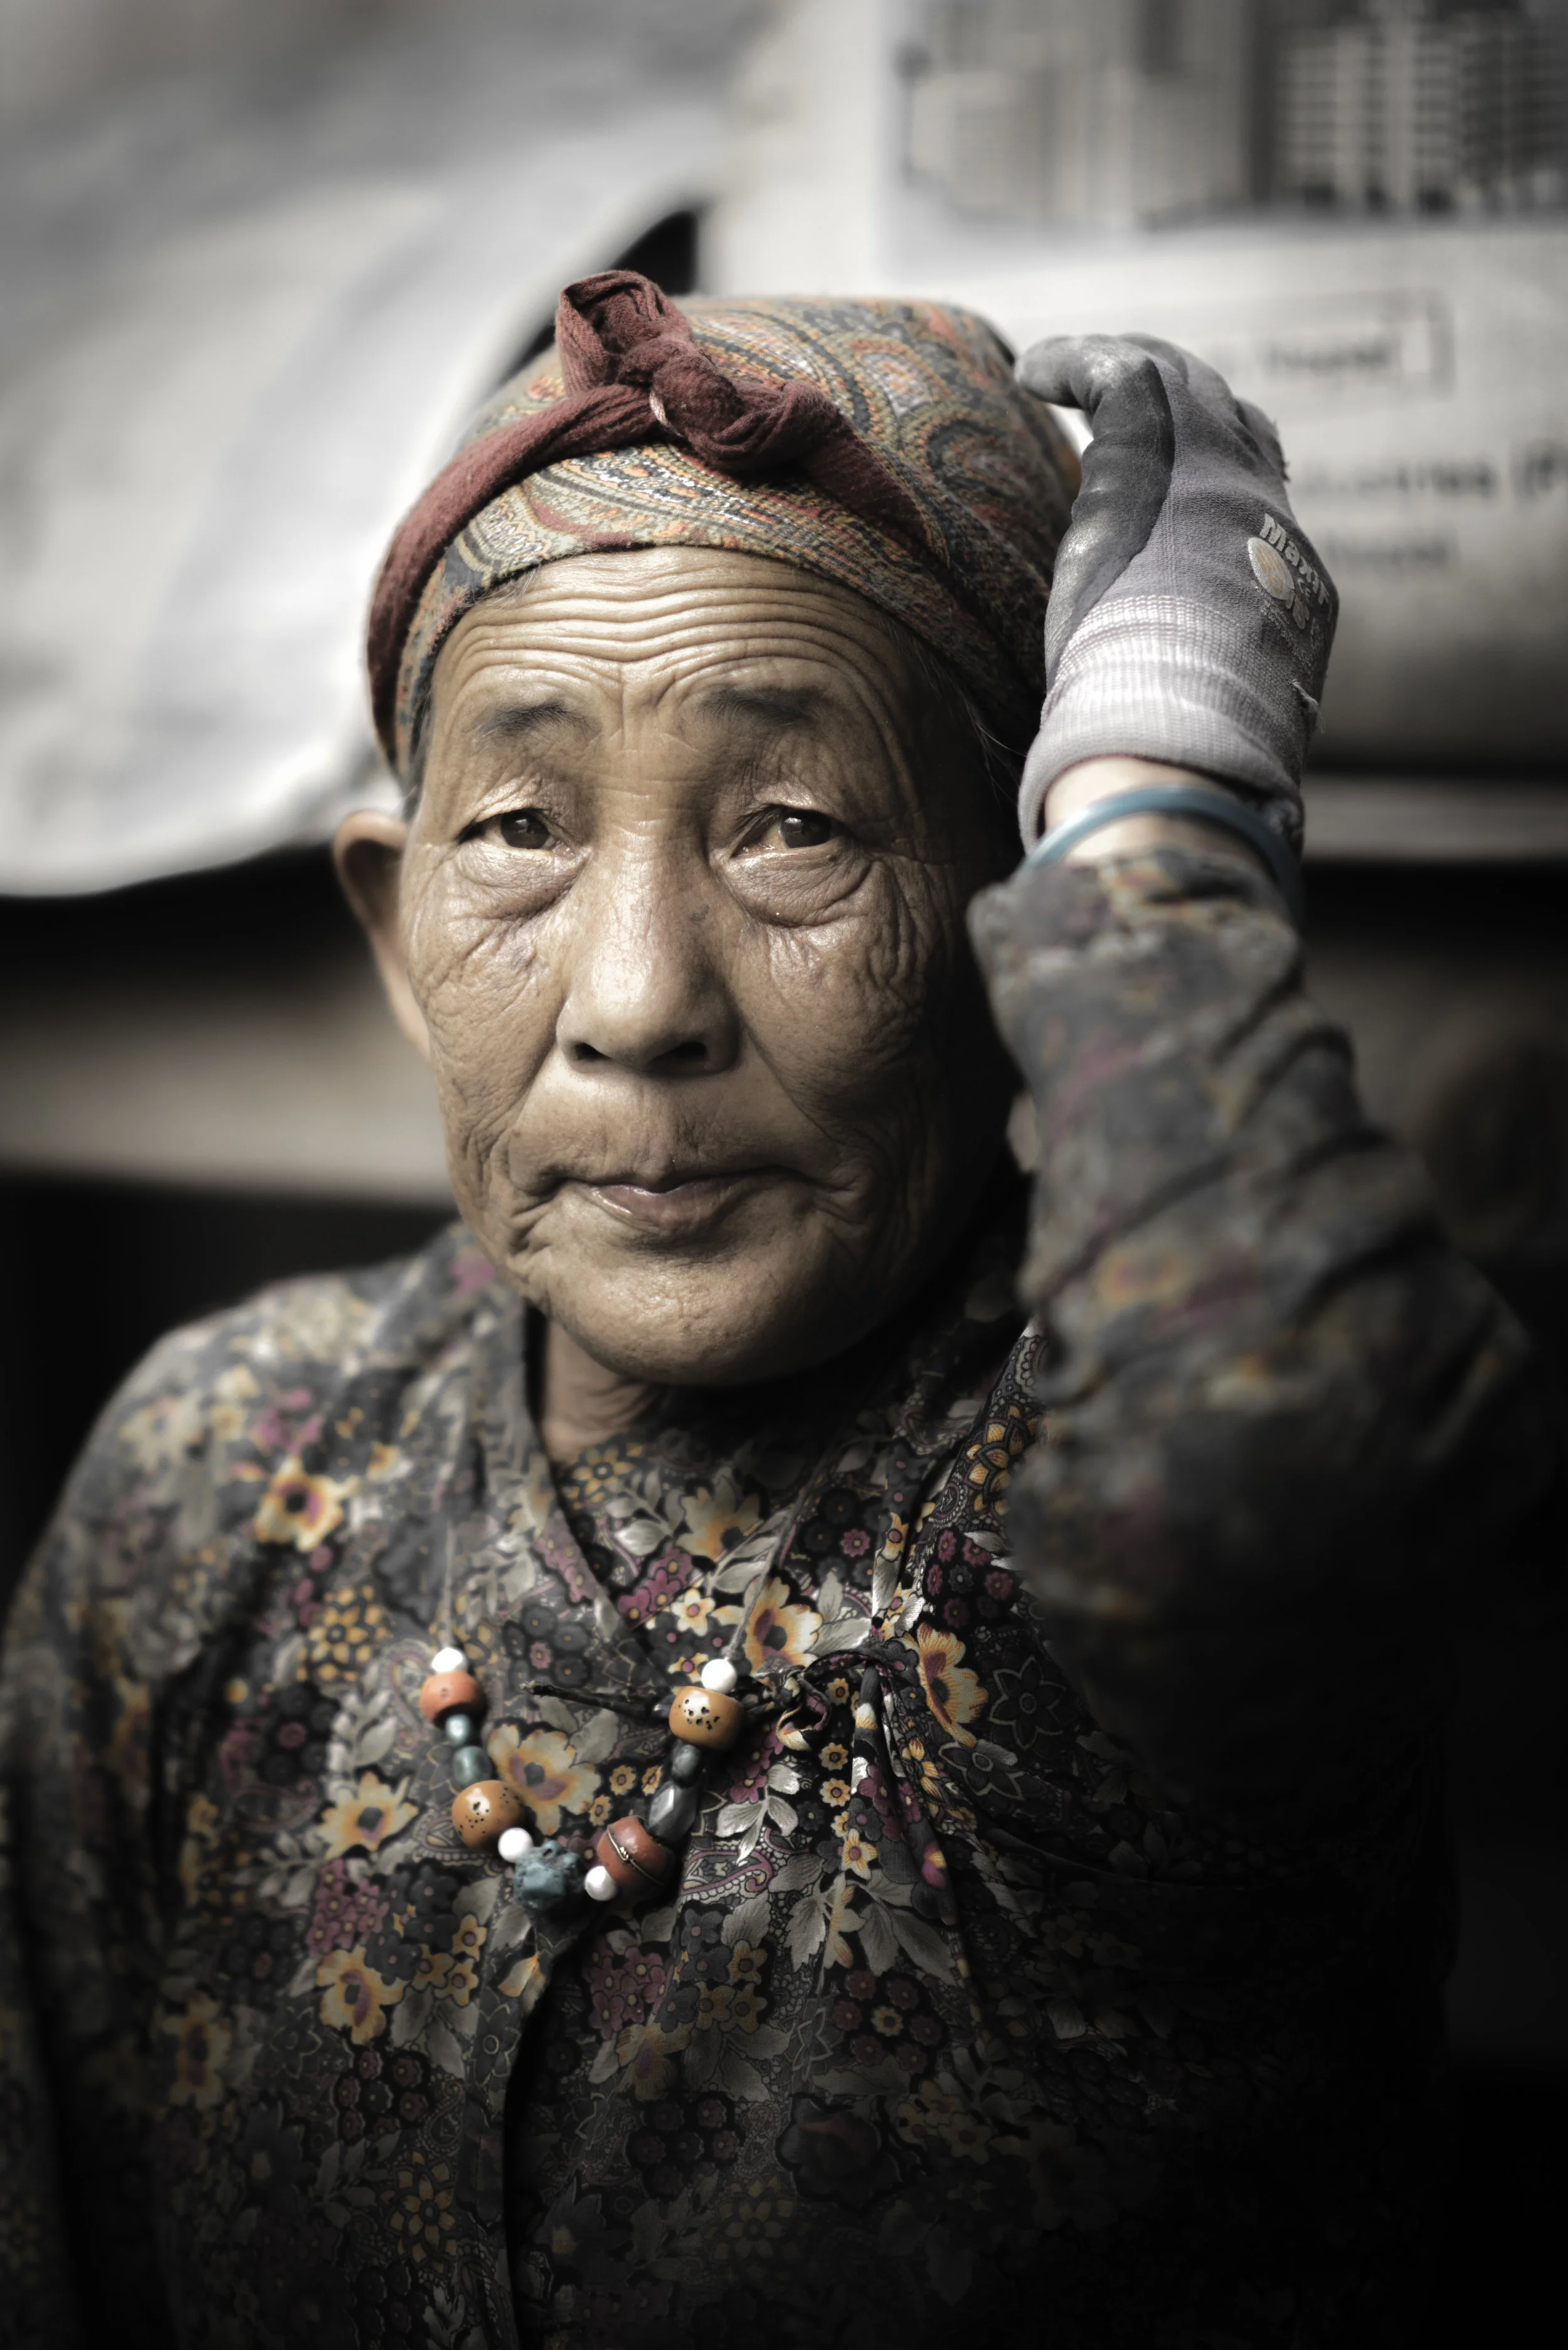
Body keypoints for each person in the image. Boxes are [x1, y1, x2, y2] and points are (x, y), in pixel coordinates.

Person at [0, 273, 1554, 2350]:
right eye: (522, 834)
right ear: (396, 929)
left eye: (796, 830)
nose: (637, 1005)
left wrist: (1162, 834)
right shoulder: (226, 1467)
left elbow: (1275, 1446)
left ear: (1013, 922)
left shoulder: (1047, 1520)